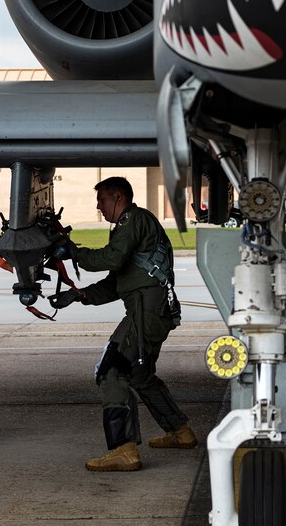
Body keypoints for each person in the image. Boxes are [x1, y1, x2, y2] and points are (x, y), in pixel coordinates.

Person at [50, 176, 194, 472]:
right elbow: (115, 283)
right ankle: (181, 432)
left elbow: (112, 260)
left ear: (118, 197)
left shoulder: (133, 219)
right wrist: (78, 295)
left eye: (101, 200)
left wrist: (73, 251)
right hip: (153, 314)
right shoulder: (129, 230)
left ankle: (123, 449)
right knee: (140, 376)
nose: (98, 207)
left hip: (145, 314)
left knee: (111, 372)